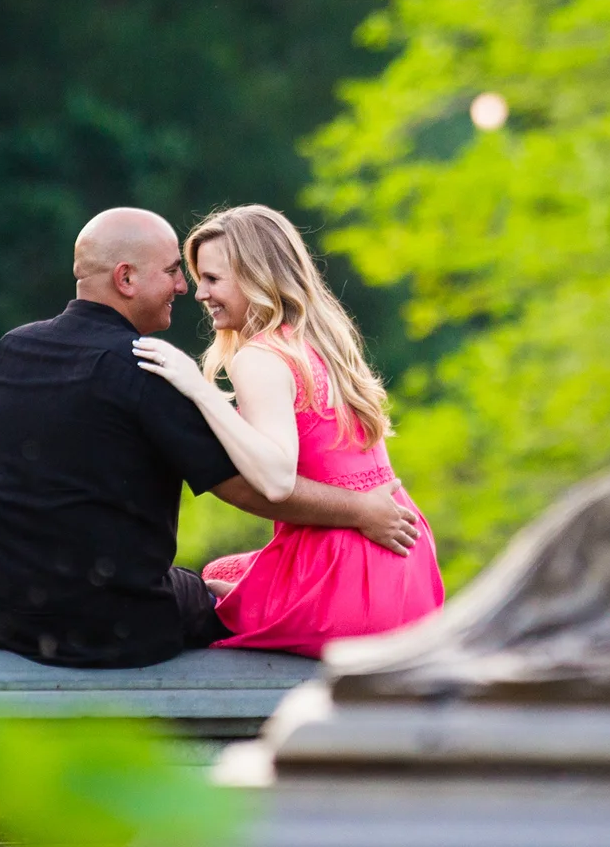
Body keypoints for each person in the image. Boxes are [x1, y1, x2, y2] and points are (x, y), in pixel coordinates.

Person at [0, 207, 421, 668]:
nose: (186, 288)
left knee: (217, 580)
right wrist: (361, 510)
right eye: (174, 272)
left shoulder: (12, 350)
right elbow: (255, 489)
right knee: (218, 597)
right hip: (103, 627)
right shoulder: (147, 365)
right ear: (126, 280)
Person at [133, 203, 443, 657]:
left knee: (204, 601)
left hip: (348, 585)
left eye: (213, 280)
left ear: (257, 278)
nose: (201, 294)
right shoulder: (321, 343)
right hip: (406, 567)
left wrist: (197, 391)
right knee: (229, 571)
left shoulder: (257, 358)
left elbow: (277, 480)